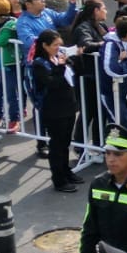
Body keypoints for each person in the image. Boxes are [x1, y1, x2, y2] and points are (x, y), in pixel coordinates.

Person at [28, 30, 79, 191]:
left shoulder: (58, 58)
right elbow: (52, 83)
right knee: (57, 145)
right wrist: (61, 67)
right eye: (55, 45)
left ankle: (66, 171)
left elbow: (73, 75)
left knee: (65, 143)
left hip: (68, 106)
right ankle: (59, 179)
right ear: (45, 46)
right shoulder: (39, 64)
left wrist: (73, 60)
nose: (59, 48)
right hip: (54, 109)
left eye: (60, 44)